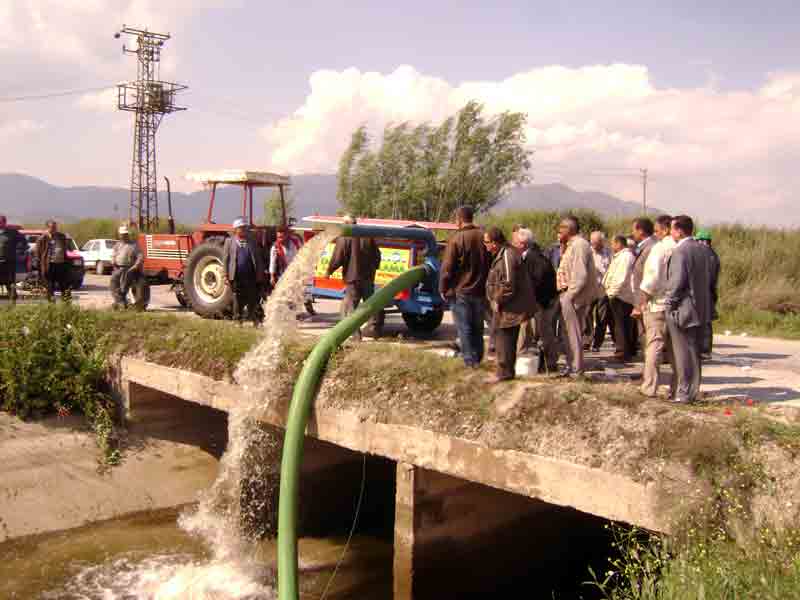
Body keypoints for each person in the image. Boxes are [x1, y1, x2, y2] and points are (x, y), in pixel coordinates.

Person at [664, 215, 713, 404]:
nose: (670, 233)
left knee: (682, 351)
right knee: (693, 352)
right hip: (700, 308)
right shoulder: (703, 250)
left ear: (680, 230)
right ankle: (693, 391)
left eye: (672, 229)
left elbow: (676, 283)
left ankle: (684, 393)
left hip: (682, 309)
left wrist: (669, 304)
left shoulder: (680, 251)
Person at [439, 206, 490, 368]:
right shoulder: (484, 236)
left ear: (459, 220)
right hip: (481, 290)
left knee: (464, 327)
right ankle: (479, 358)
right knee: (477, 327)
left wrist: (443, 288)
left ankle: (470, 362)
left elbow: (447, 268)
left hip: (461, 291)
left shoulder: (457, 239)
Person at [484, 227, 536, 382]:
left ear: (494, 243)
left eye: (486, 242)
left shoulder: (507, 255)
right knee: (504, 338)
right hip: (507, 305)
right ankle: (504, 372)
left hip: (511, 307)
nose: (485, 245)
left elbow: (508, 283)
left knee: (505, 339)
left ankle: (504, 374)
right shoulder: (503, 253)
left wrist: (498, 300)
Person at [556, 216, 602, 377]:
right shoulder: (571, 246)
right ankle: (571, 366)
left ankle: (576, 368)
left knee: (573, 333)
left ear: (569, 229)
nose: (558, 231)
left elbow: (580, 275)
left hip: (575, 297)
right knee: (566, 333)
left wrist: (570, 295)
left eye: (561, 228)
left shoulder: (580, 245)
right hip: (568, 295)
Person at [325, 215, 383, 338]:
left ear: (346, 224)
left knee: (351, 307)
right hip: (368, 277)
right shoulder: (367, 235)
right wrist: (374, 268)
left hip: (353, 278)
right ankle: (374, 329)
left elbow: (338, 257)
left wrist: (329, 271)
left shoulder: (345, 237)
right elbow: (377, 255)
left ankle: (355, 335)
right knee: (371, 304)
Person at [638, 214, 676, 397]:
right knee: (676, 349)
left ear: (666, 229)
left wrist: (642, 300)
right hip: (677, 305)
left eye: (657, 230)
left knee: (654, 345)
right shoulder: (681, 247)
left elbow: (651, 278)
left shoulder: (659, 249)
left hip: (658, 304)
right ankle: (678, 388)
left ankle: (649, 387)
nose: (655, 234)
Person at [513, 227, 559, 372]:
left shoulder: (534, 258)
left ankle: (550, 362)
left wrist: (532, 302)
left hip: (539, 303)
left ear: (523, 244)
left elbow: (537, 282)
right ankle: (521, 360)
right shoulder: (532, 256)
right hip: (537, 303)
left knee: (543, 333)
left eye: (516, 243)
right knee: (528, 331)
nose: (513, 245)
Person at [223, 217, 266, 326]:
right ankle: (238, 321)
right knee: (238, 299)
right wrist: (225, 275)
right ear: (236, 229)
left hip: (251, 275)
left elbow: (258, 259)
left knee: (253, 298)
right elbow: (226, 259)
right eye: (242, 228)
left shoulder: (252, 241)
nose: (244, 230)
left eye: (245, 228)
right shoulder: (229, 242)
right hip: (236, 276)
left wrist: (260, 274)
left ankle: (255, 320)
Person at [603, 235, 637, 361]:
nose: (611, 246)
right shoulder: (621, 256)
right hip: (618, 294)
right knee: (621, 324)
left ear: (618, 243)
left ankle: (622, 352)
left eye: (613, 243)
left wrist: (612, 292)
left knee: (621, 325)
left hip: (621, 296)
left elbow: (621, 278)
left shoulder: (626, 257)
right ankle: (625, 350)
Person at [630, 217, 657, 355]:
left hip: (646, 300)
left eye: (634, 230)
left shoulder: (651, 247)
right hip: (641, 299)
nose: (632, 233)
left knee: (648, 337)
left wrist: (641, 303)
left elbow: (649, 276)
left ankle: (650, 373)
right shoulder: (643, 247)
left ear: (641, 231)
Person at [695, 229, 720, 358]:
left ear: (703, 241)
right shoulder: (713, 254)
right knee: (706, 320)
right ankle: (705, 349)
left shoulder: (706, 254)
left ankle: (704, 350)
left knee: (704, 321)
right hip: (709, 291)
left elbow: (708, 276)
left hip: (705, 291)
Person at [586, 231, 612, 352]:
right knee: (586, 314)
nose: (595, 245)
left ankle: (597, 343)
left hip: (603, 289)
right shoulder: (587, 252)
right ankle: (587, 339)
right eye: (593, 243)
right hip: (589, 288)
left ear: (602, 242)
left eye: (597, 243)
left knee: (602, 317)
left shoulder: (608, 253)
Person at [35, 219, 72, 302]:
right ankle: (51, 306)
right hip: (49, 266)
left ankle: (67, 305)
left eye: (56, 227)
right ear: (48, 228)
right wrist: (39, 268)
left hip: (61, 265)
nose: (55, 229)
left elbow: (66, 249)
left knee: (65, 286)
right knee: (50, 287)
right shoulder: (42, 238)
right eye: (53, 227)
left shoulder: (61, 236)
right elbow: (37, 254)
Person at [110, 225, 144, 310]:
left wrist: (136, 266)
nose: (123, 236)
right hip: (117, 268)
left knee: (123, 286)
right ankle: (119, 301)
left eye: (125, 234)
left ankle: (121, 303)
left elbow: (140, 256)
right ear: (119, 235)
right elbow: (113, 254)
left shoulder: (133, 245)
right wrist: (113, 261)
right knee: (113, 284)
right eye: (122, 234)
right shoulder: (118, 245)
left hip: (128, 268)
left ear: (127, 234)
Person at [0, 215, 26, 305]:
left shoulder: (13, 232)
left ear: (4, 222)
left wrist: (20, 251)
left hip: (9, 263)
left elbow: (24, 242)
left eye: (1, 222)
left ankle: (13, 305)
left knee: (10, 283)